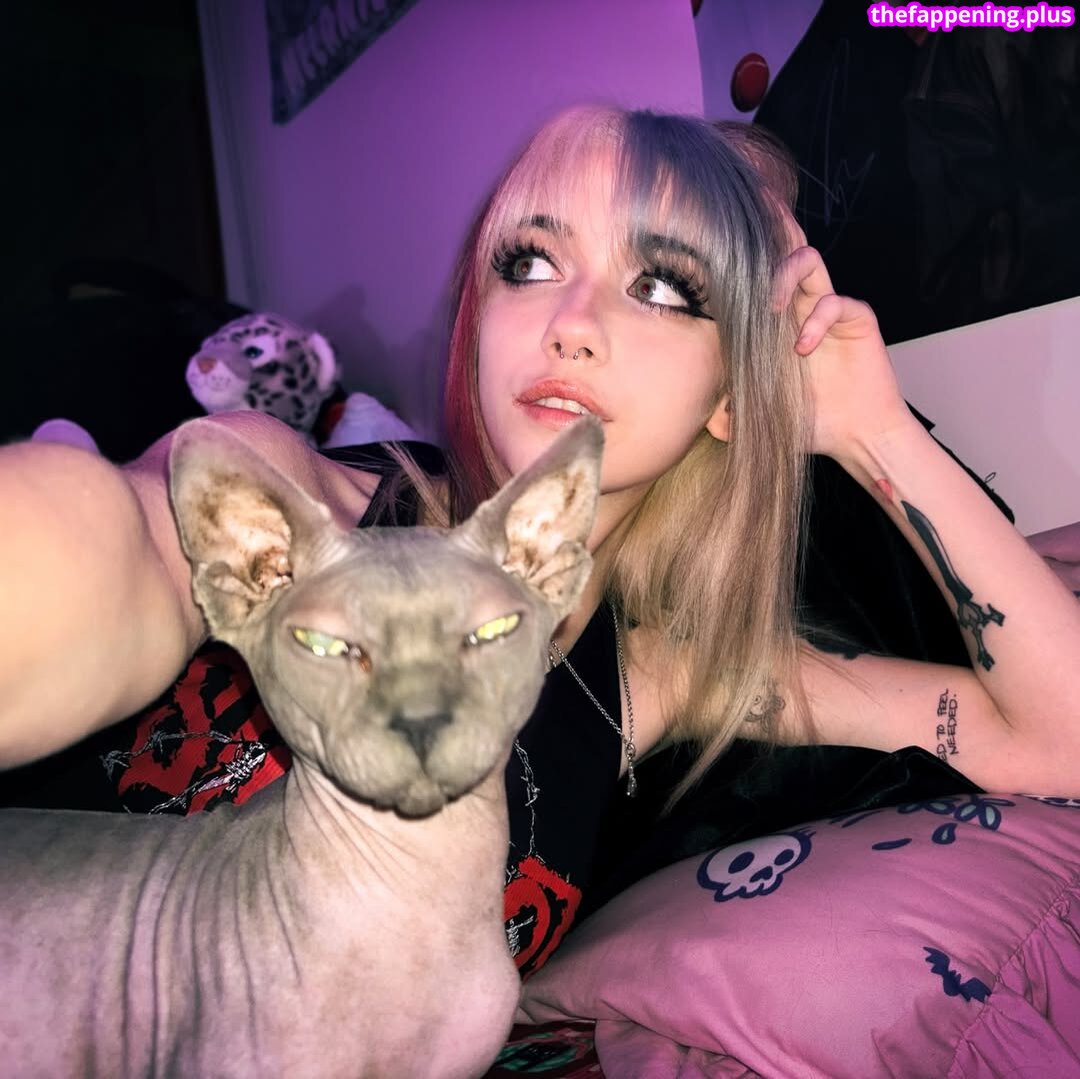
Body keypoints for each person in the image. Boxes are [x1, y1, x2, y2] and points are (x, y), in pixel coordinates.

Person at [3, 103, 1080, 998]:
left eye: (663, 286)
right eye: (530, 261)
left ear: (730, 396)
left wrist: (870, 428)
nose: (570, 319)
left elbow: (1054, 741)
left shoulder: (661, 681)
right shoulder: (291, 498)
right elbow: (108, 545)